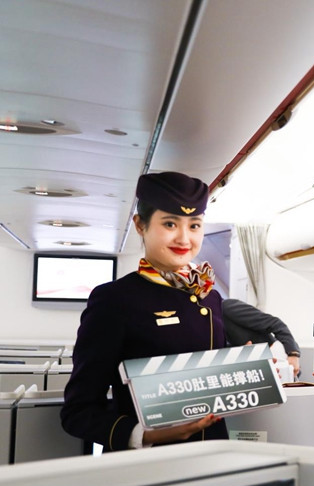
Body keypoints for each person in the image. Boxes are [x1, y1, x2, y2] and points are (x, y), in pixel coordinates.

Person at [61, 171, 228, 451]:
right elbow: (78, 412)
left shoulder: (210, 297)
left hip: (213, 457)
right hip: (149, 464)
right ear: (140, 225)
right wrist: (148, 435)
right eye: (170, 224)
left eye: (195, 226)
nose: (184, 238)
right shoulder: (115, 300)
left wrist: (252, 364)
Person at [222, 298, 302, 378]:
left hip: (277, 359)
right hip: (251, 371)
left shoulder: (226, 307)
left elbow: (276, 324)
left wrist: (293, 354)